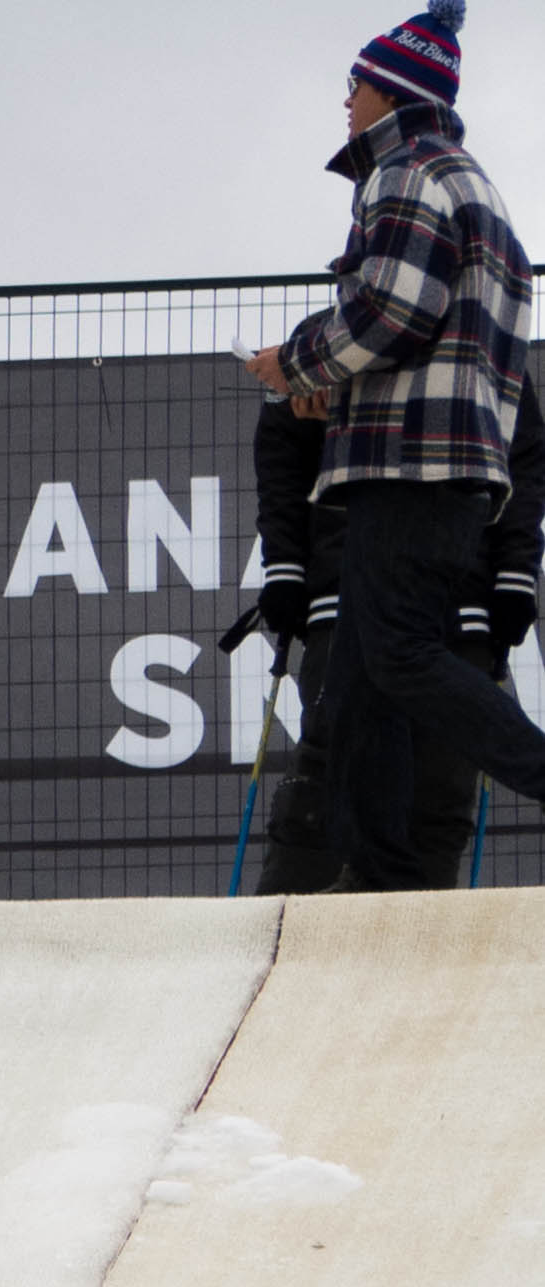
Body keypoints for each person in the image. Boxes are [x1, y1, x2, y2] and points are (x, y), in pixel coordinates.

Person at [243, 0, 545, 893]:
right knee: (374, 671)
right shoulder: (474, 186)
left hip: (407, 465)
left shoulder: (405, 173)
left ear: (392, 93)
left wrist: (297, 365)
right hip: (451, 465)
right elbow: (442, 333)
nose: (344, 104)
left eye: (354, 86)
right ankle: (377, 876)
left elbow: (392, 310)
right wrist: (333, 383)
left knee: (403, 656)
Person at [250, 351, 541, 890]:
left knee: (438, 793)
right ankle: (292, 956)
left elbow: (521, 463)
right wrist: (286, 567)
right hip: (349, 598)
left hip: (460, 603)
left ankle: (416, 953)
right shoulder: (336, 343)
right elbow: (282, 455)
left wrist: (515, 576)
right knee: (330, 780)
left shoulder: (486, 357)